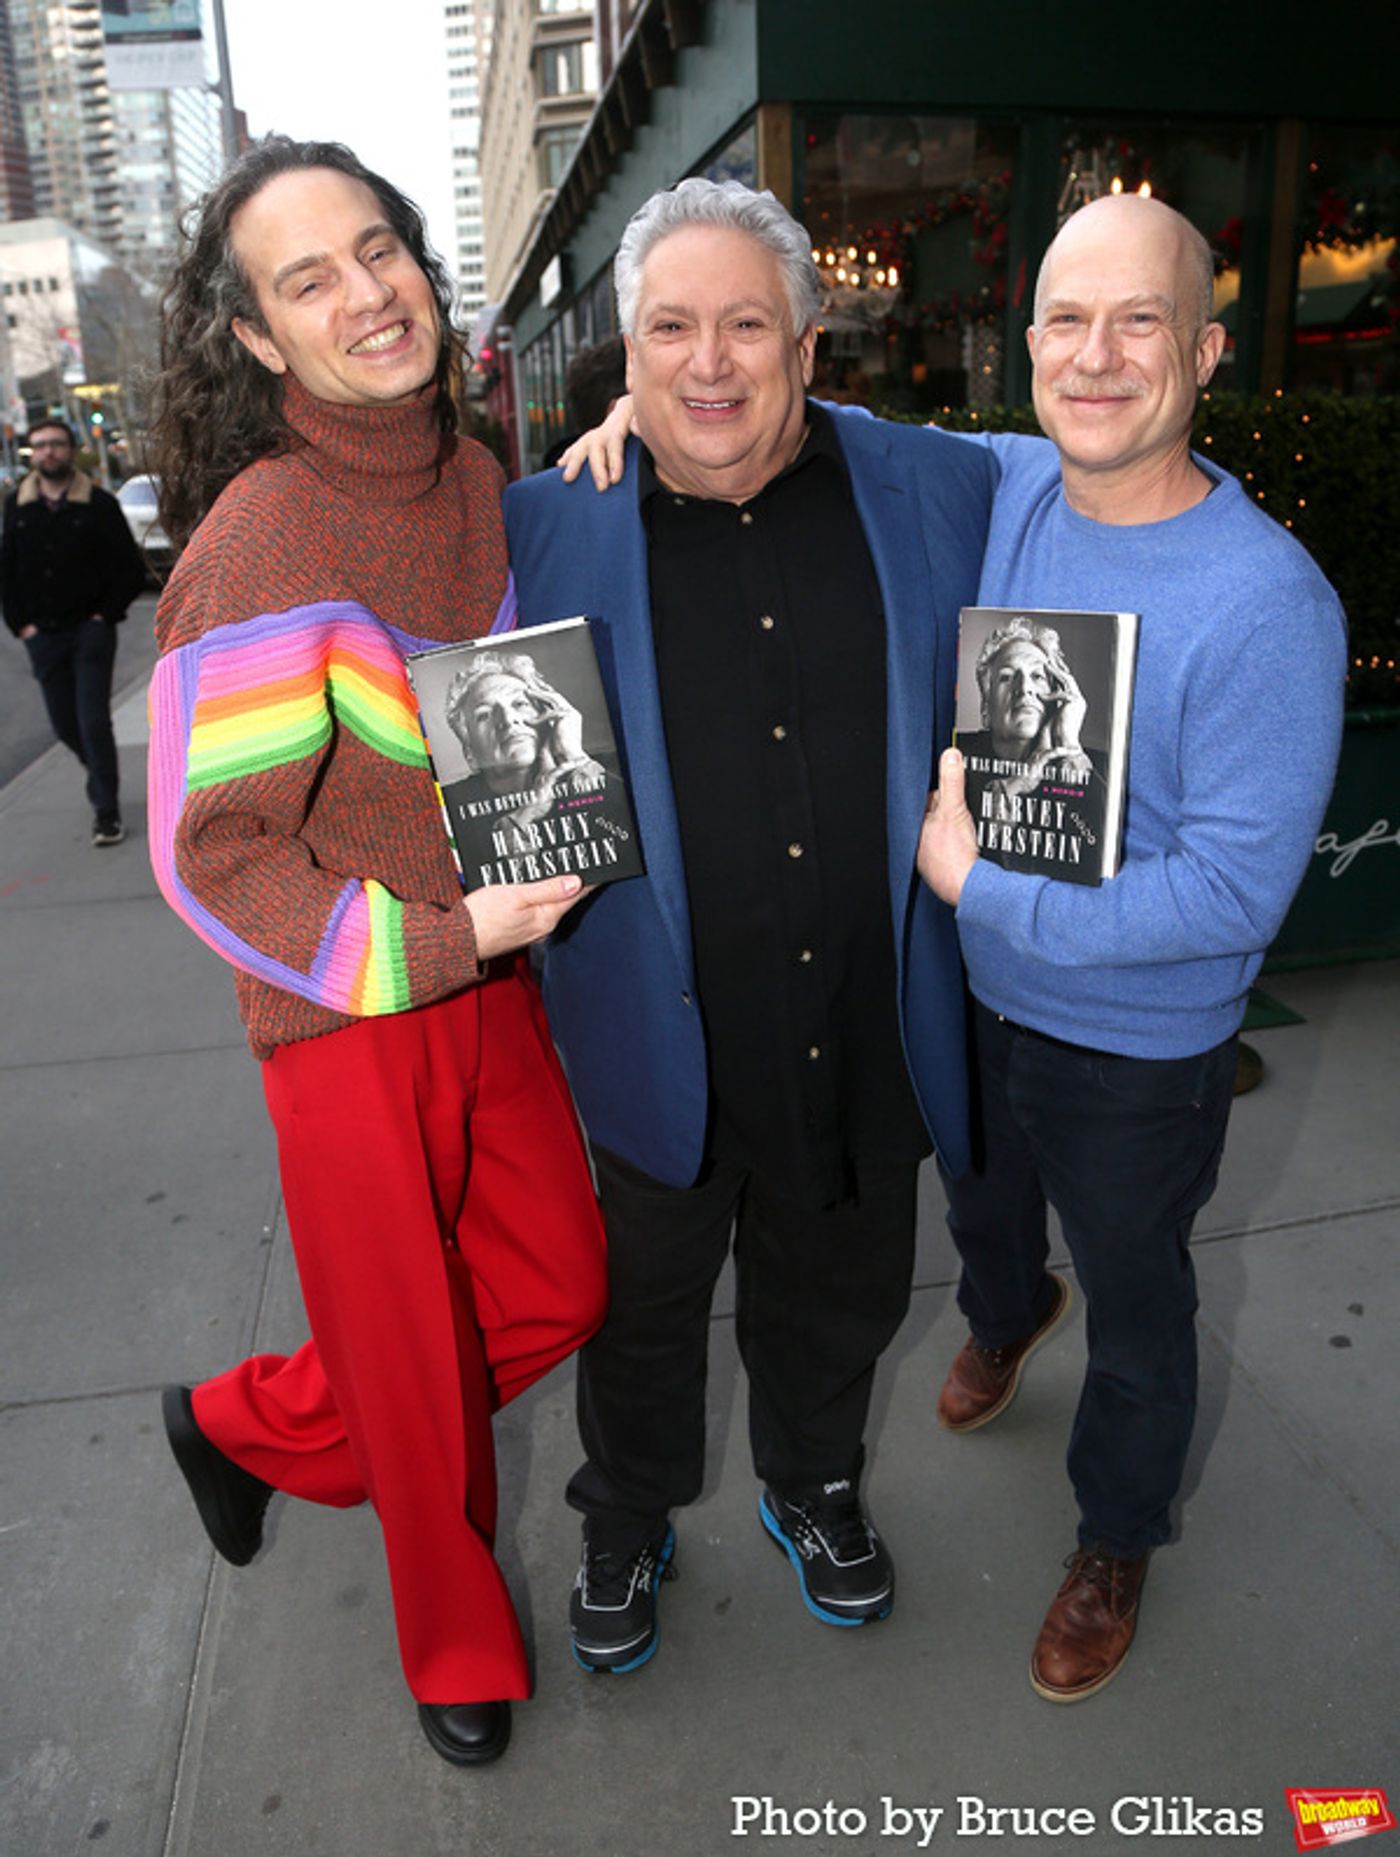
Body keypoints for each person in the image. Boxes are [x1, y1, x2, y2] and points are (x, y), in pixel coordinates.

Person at [144, 136, 608, 1767]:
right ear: (258, 337)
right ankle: (456, 1642)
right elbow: (216, 852)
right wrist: (433, 940)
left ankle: (245, 1423)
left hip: (492, 972)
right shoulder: (265, 534)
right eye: (307, 280)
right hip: (348, 1015)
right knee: (410, 1368)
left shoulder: (473, 477)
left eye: (377, 248)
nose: (365, 293)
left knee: (559, 1284)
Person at [504, 178, 995, 1673]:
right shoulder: (544, 523)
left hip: (864, 1002)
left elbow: (1110, 456)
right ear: (627, 353)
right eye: (670, 330)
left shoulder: (937, 485)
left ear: (807, 342)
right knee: (640, 1303)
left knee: (841, 1282)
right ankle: (624, 1513)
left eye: (743, 327)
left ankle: (813, 1481)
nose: (707, 363)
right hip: (654, 1018)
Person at [916, 193, 1346, 1703]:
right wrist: (648, 406)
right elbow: (813, 423)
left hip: (1137, 1053)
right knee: (980, 1201)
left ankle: (1115, 1536)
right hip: (978, 995)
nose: (1095, 356)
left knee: (1138, 1306)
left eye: (1139, 320)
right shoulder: (1010, 483)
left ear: (1206, 353)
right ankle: (1003, 1312)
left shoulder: (1265, 602)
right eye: (1066, 319)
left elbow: (1230, 899)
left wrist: (981, 891)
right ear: (1027, 342)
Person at [2, 418, 146, 845]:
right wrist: (21, 625)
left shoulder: (98, 504)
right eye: (40, 446)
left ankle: (106, 814)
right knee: (65, 725)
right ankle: (99, 771)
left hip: (90, 632)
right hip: (43, 636)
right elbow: (8, 570)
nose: (48, 452)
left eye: (56, 444)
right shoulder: (17, 506)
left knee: (93, 721)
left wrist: (104, 617)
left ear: (70, 449)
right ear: (32, 454)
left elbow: (129, 568)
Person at [443, 647, 609, 830]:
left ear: (549, 716)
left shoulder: (604, 770)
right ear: (470, 754)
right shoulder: (449, 806)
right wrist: (527, 812)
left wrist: (574, 757)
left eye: (520, 704)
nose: (508, 720)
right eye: (485, 715)